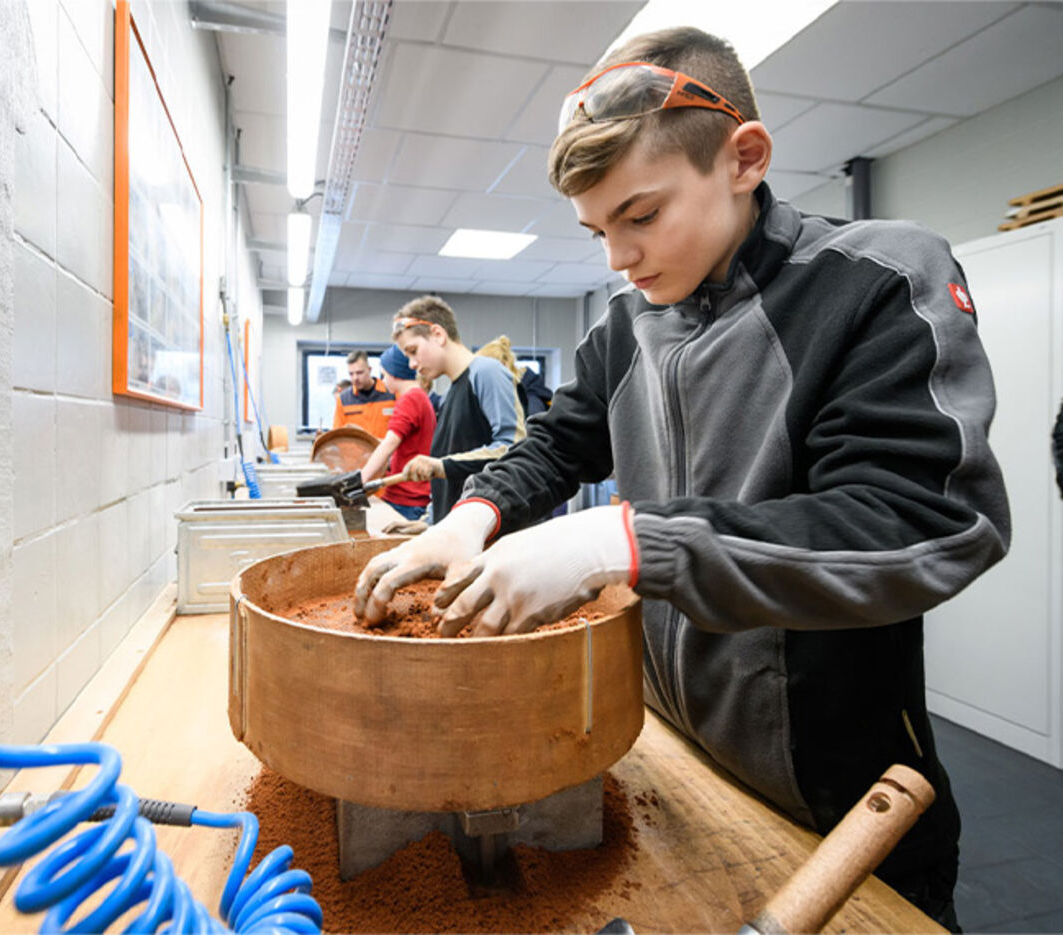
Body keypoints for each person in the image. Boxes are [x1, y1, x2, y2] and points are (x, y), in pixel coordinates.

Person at [355, 26, 1011, 930]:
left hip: (835, 796)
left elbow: (924, 522)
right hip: (670, 753)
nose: (618, 259)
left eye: (642, 214)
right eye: (596, 231)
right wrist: (475, 511)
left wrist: (623, 539)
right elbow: (558, 441)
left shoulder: (875, 282)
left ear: (742, 159)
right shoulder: (626, 327)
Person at [391, 296, 524, 524]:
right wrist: (429, 522)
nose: (412, 364)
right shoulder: (451, 394)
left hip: (486, 532)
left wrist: (441, 466)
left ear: (438, 334)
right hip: (454, 531)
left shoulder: (486, 373)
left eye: (413, 351)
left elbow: (512, 449)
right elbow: (451, 478)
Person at [357, 344, 436, 522]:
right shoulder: (420, 396)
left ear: (394, 372)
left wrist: (360, 480)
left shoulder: (409, 399)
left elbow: (388, 445)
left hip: (407, 498)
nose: (383, 381)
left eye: (384, 375)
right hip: (413, 495)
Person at [333, 350, 395, 437]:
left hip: (385, 450)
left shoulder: (392, 393)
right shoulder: (343, 400)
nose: (355, 378)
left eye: (359, 373)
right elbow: (337, 435)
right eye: (351, 374)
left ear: (369, 370)